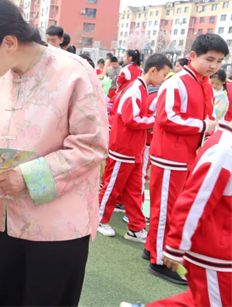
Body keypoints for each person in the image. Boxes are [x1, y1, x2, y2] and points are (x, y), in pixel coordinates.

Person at [0, 0, 108, 307]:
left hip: (56, 228)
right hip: (1, 220)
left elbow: (91, 146)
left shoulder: (74, 72)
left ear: (8, 42)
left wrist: (26, 177)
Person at [120, 120, 232, 307]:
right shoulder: (225, 149)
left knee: (198, 301)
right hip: (214, 251)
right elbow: (195, 200)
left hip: (219, 248)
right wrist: (176, 245)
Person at [146, 33, 228, 284]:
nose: (214, 66)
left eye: (220, 61)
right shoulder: (178, 82)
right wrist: (204, 126)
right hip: (170, 156)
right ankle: (159, 261)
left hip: (183, 156)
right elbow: (166, 118)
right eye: (209, 59)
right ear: (193, 56)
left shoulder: (202, 82)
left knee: (168, 207)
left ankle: (152, 249)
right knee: (165, 209)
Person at [98, 54, 172, 242]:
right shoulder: (135, 89)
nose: (164, 80)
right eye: (164, 75)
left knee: (134, 191)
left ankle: (136, 227)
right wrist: (156, 121)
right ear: (153, 71)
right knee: (112, 186)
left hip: (133, 149)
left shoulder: (140, 88)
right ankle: (98, 219)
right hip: (124, 148)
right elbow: (131, 119)